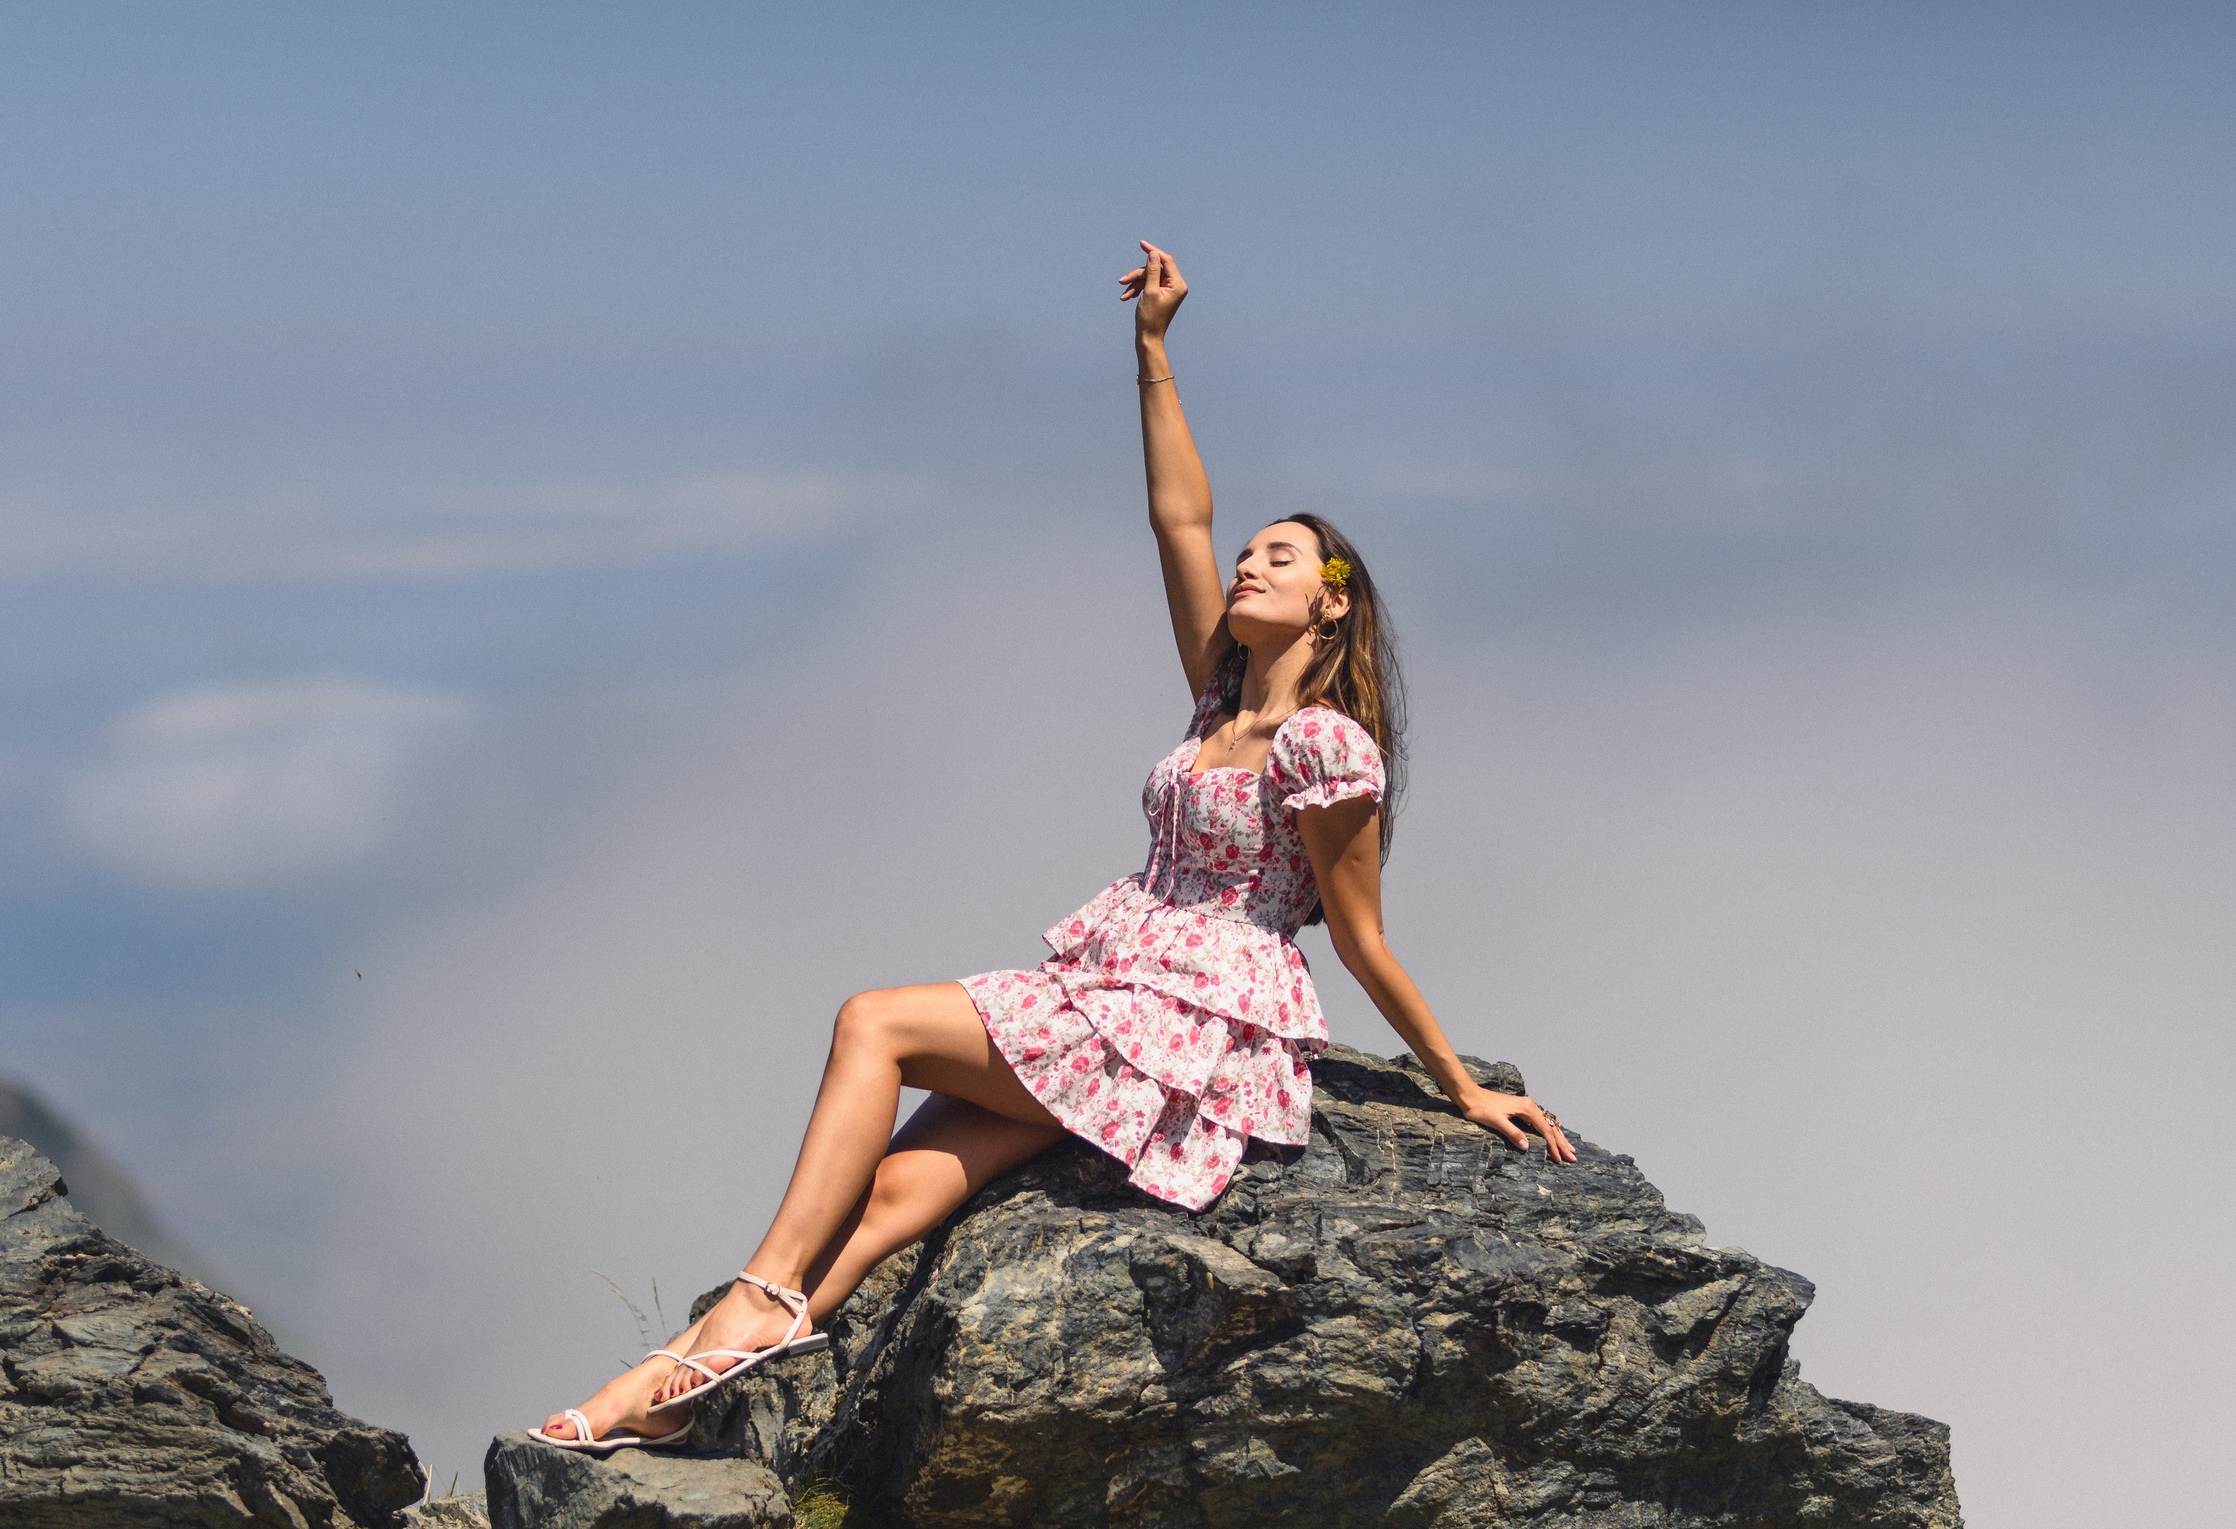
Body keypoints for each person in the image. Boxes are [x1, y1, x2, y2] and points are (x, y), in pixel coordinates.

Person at [532, 241, 1574, 1452]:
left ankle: (763, 1292)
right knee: (891, 1196)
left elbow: (1361, 934)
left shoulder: (1324, 746)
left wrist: (1459, 1083)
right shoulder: (1215, 703)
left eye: (1278, 557)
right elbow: (1175, 516)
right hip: (1111, 989)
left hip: (1189, 1017)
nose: (1246, 562)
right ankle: (668, 1395)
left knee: (873, 1019)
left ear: (1331, 600)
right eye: (1250, 554)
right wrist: (1153, 350)